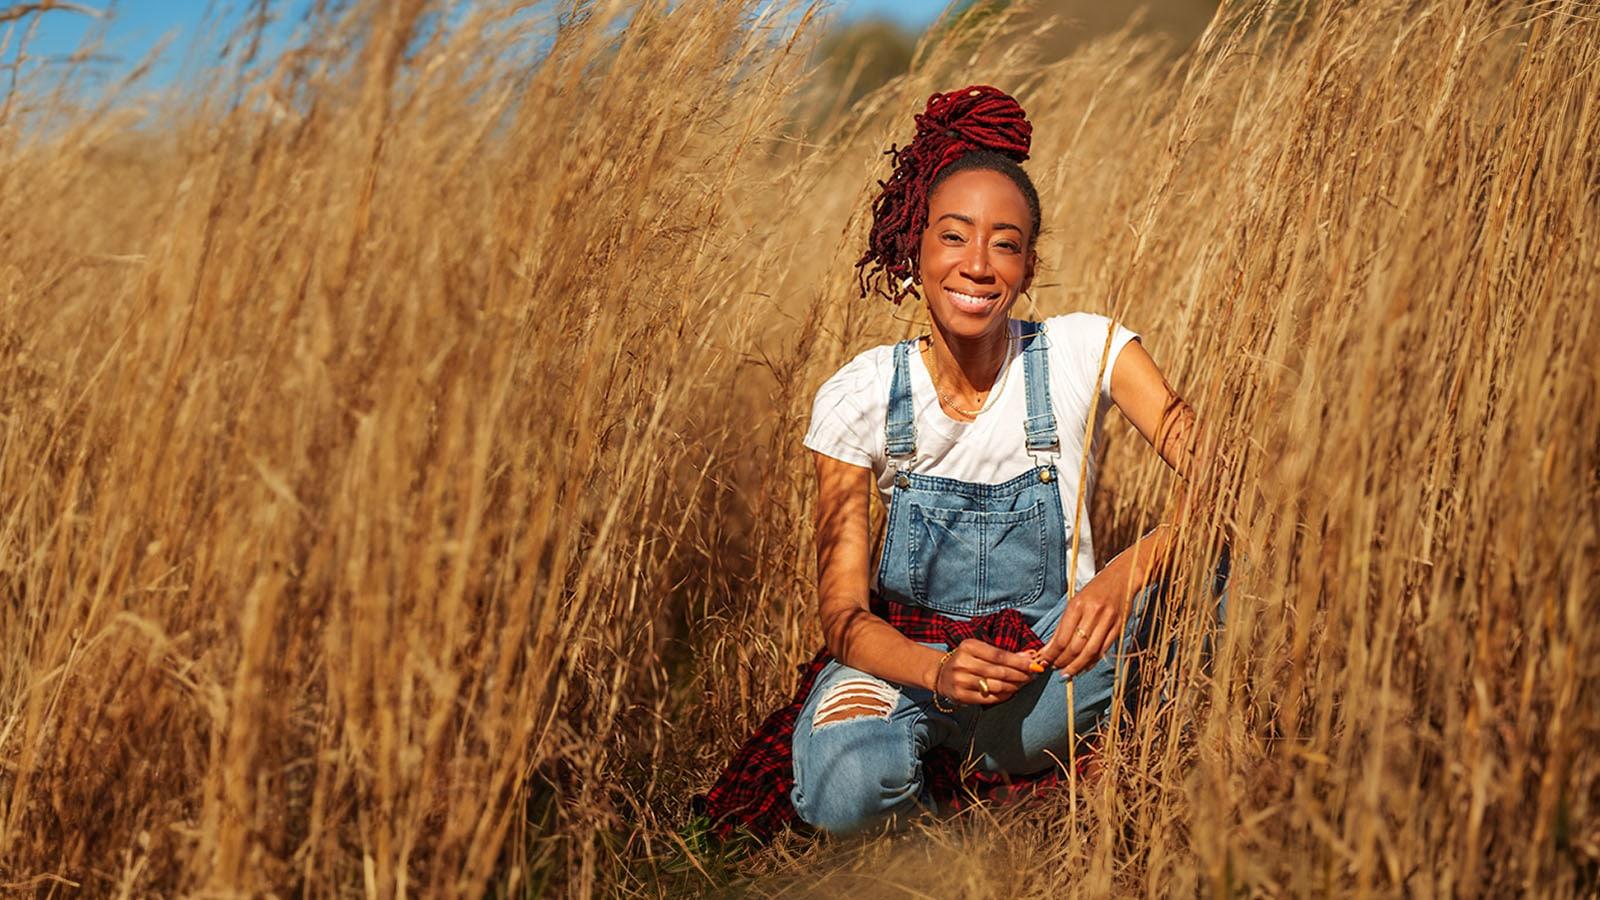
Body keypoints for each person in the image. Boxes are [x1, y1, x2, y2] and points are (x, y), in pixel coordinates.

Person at [787, 85, 1212, 835]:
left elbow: (1229, 476)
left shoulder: (1088, 349)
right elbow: (844, 617)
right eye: (954, 237)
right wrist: (940, 672)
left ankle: (1018, 771)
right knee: (849, 786)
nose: (978, 265)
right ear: (917, 247)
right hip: (911, 671)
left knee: (1214, 577)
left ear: (1030, 263)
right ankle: (948, 819)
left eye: (1005, 243)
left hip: (1055, 670)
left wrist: (1127, 570)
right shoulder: (859, 394)